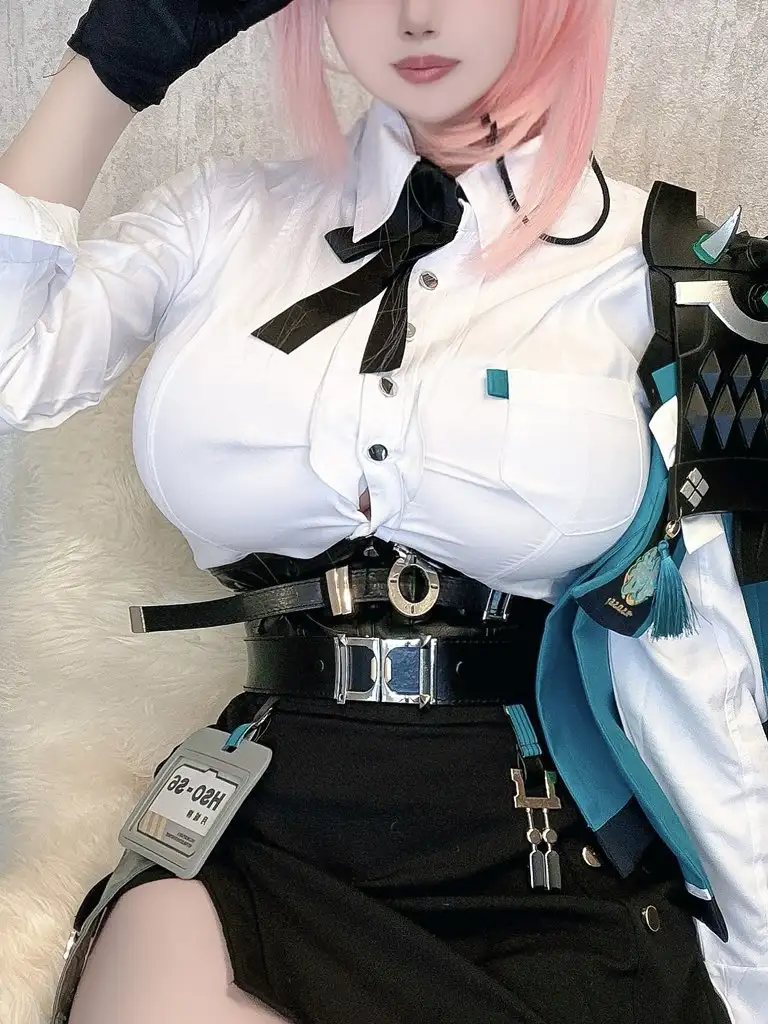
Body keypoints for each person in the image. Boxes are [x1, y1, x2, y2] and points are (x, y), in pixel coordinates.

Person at [0, 1, 765, 1022]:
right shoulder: (220, 219)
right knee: (156, 958)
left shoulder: (685, 274)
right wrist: (111, 67)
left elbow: (720, 655)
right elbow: (15, 364)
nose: (414, 14)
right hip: (261, 821)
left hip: (543, 850)